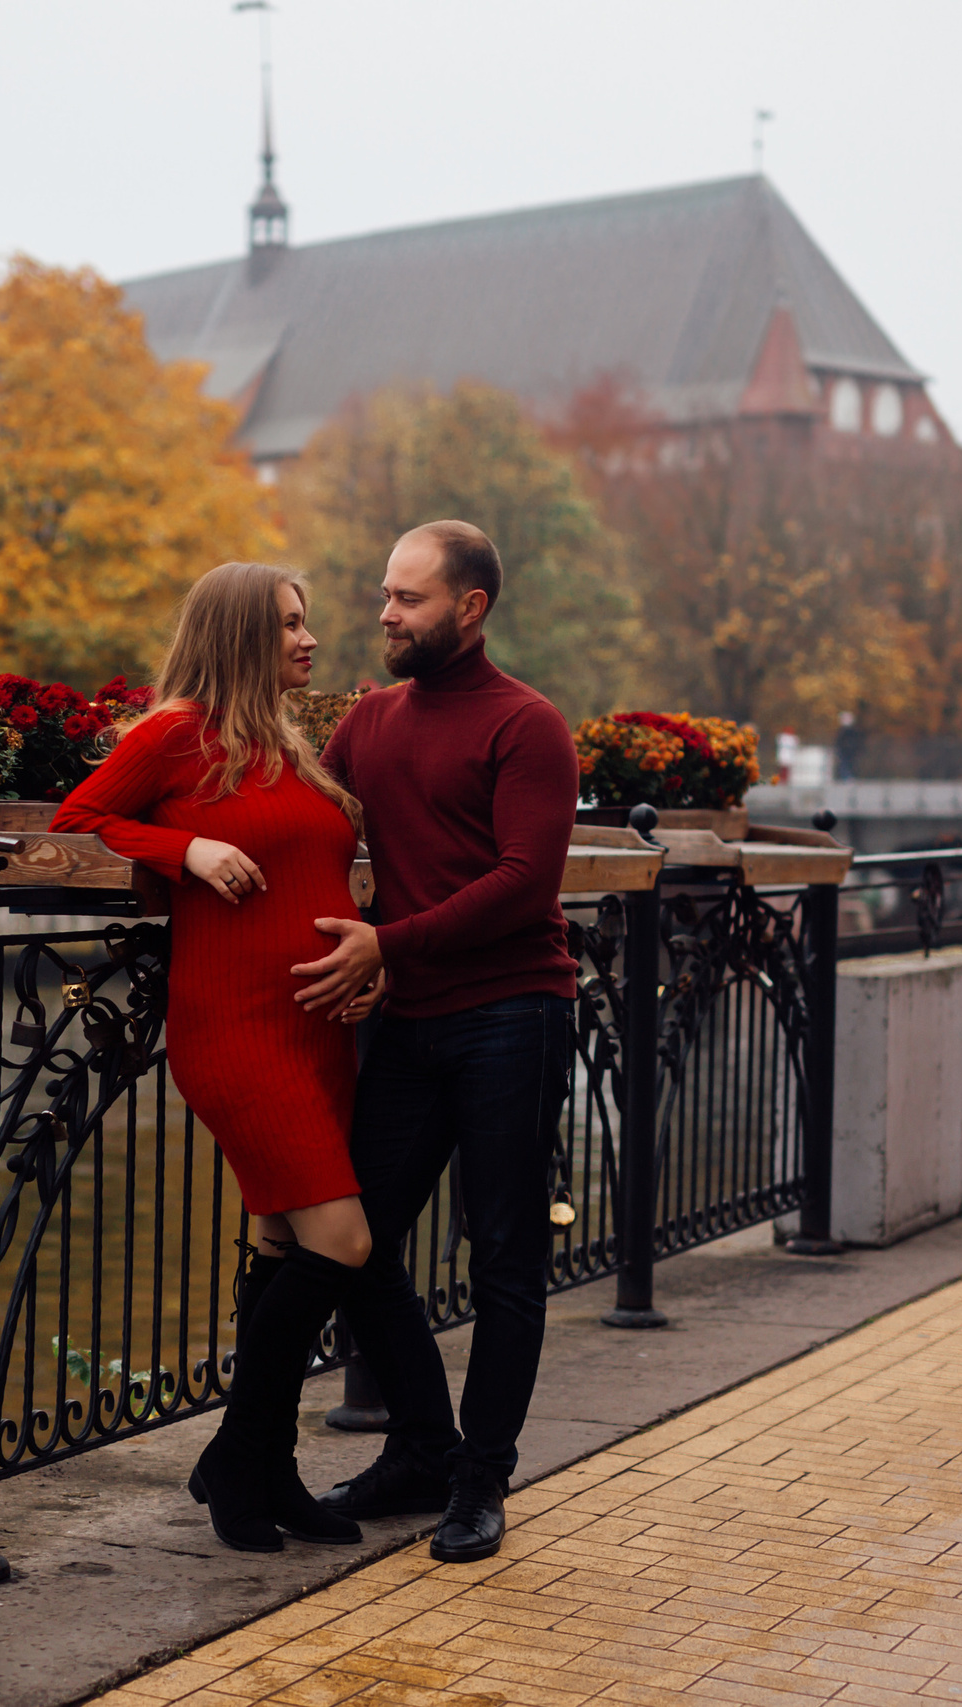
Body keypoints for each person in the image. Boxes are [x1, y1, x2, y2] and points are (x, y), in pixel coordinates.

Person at [51, 561, 386, 1554]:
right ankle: (239, 1458)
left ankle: (265, 1469)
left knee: (283, 1243)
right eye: (288, 623)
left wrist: (373, 961)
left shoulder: (285, 744)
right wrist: (184, 851)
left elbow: (321, 871)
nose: (309, 639)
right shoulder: (174, 735)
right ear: (239, 634)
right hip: (237, 1027)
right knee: (344, 1241)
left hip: (318, 1026)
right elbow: (74, 822)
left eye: (306, 621)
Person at [290, 519, 580, 1564]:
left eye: (407, 599)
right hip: (410, 1017)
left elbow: (523, 884)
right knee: (354, 1239)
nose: (386, 614)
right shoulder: (369, 721)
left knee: (502, 1256)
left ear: (470, 606)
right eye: (384, 594)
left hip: (514, 1012)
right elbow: (307, 823)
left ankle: (481, 1478)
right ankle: (421, 1445)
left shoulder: (527, 725)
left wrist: (387, 944)